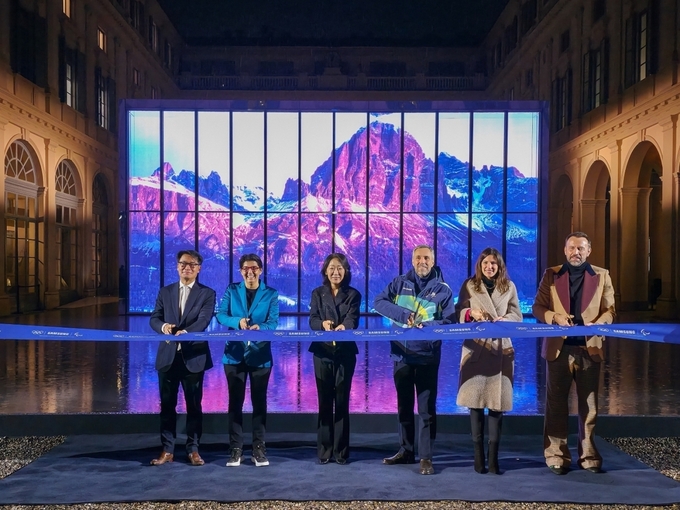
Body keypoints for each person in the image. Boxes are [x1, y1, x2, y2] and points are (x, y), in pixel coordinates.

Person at [533, 232, 615, 475]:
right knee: (556, 405)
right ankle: (556, 456)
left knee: (589, 407)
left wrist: (599, 324)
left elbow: (610, 311)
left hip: (589, 349)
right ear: (565, 250)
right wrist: (554, 317)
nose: (575, 252)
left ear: (589, 251)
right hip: (559, 350)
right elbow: (538, 307)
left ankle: (589, 457)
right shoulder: (551, 274)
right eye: (571, 248)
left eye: (580, 248)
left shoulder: (602, 275)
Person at [374, 244, 455, 475]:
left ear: (433, 261)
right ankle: (406, 451)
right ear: (412, 260)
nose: (422, 262)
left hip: (427, 356)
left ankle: (426, 458)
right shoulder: (399, 283)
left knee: (426, 410)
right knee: (404, 407)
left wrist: (428, 326)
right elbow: (378, 302)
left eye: (427, 258)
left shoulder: (443, 290)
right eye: (418, 257)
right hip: (401, 354)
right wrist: (403, 315)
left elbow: (450, 321)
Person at [455, 247, 522, 474]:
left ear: (499, 265)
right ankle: (478, 458)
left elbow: (517, 315)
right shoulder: (469, 285)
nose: (489, 267)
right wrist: (470, 314)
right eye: (485, 263)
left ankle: (493, 460)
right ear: (480, 265)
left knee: (497, 405)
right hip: (475, 350)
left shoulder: (509, 287)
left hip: (501, 350)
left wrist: (505, 320)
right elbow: (458, 311)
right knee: (474, 404)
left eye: (493, 263)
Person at [149, 249, 216, 467]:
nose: (187, 267)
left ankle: (193, 449)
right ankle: (167, 450)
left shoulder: (207, 293)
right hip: (167, 357)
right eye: (183, 264)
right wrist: (163, 327)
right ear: (177, 267)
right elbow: (154, 318)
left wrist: (187, 333)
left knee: (194, 406)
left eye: (192, 264)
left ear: (199, 268)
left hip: (193, 356)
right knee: (167, 407)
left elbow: (204, 320)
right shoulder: (165, 291)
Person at [216, 253, 279, 467]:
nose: (250, 272)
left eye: (254, 268)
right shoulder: (232, 290)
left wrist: (261, 327)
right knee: (235, 403)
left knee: (259, 403)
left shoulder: (271, 294)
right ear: (241, 271)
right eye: (245, 268)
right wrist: (237, 322)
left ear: (260, 270)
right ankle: (235, 449)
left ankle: (259, 448)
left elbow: (273, 322)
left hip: (260, 355)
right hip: (234, 355)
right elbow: (221, 315)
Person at [308, 253, 361, 465]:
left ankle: (341, 452)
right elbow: (313, 320)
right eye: (332, 268)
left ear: (346, 271)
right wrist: (323, 324)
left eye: (340, 268)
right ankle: (324, 451)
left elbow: (353, 319)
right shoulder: (317, 293)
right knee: (324, 402)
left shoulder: (353, 294)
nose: (335, 272)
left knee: (341, 401)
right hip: (322, 353)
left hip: (345, 353)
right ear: (325, 270)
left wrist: (343, 327)